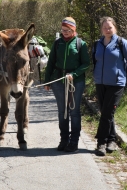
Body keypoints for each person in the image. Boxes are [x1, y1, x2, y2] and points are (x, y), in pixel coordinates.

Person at [44, 17, 89, 152]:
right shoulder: (57, 43)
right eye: (63, 30)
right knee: (62, 112)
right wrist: (47, 81)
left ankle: (74, 142)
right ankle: (64, 140)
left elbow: (86, 64)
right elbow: (51, 63)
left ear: (73, 29)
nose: (65, 32)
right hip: (58, 81)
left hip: (76, 82)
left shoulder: (81, 44)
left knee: (74, 112)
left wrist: (74, 74)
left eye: (68, 30)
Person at [92, 17, 127, 156]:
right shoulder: (97, 44)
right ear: (101, 29)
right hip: (100, 83)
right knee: (107, 113)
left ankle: (101, 142)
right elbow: (95, 60)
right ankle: (111, 140)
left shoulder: (122, 43)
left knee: (106, 113)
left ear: (115, 28)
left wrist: (124, 77)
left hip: (116, 84)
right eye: (105, 28)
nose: (107, 30)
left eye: (110, 27)